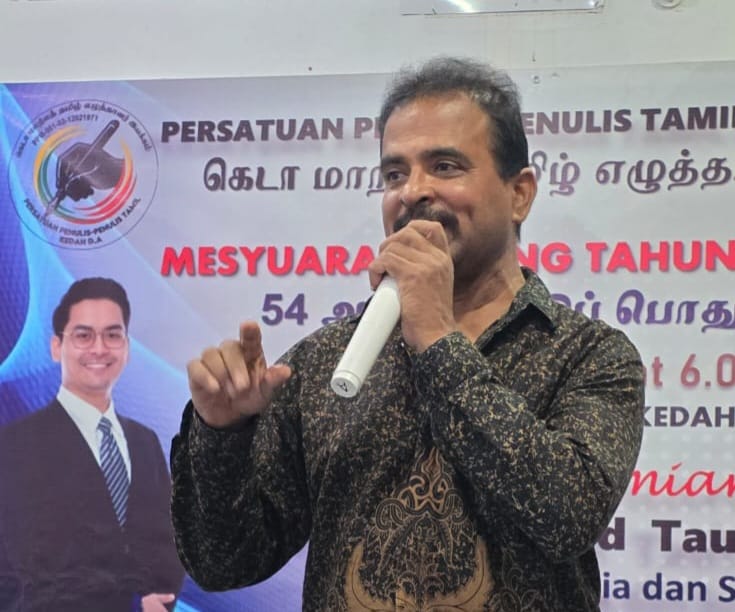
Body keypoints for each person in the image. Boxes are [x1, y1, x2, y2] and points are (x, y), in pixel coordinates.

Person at [170, 57, 645, 611]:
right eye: (395, 174)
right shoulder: (328, 360)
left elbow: (566, 516)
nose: (413, 192)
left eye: (445, 166)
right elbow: (222, 562)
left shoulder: (590, 355)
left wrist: (439, 340)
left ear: (519, 193)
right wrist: (222, 435)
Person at [0, 277, 184, 612]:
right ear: (57, 347)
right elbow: (24, 565)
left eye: (112, 335)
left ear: (126, 348)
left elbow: (166, 542)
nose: (99, 349)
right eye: (83, 335)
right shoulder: (15, 446)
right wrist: (131, 603)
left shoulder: (144, 442)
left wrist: (157, 600)